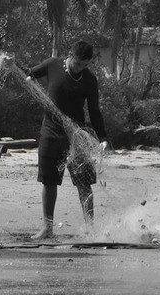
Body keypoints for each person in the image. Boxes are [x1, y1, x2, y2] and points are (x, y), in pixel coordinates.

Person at [27, 40, 109, 240]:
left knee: (84, 182)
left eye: (85, 65)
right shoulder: (52, 65)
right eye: (78, 63)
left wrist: (102, 137)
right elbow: (29, 73)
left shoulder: (89, 79)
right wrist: (14, 66)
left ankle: (90, 228)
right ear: (71, 55)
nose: (80, 68)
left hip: (77, 135)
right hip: (50, 131)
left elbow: (94, 110)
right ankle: (47, 228)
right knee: (49, 181)